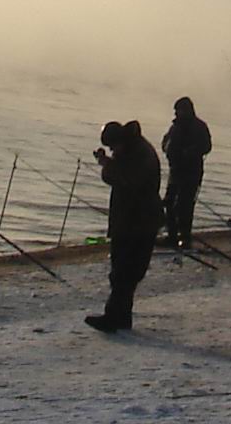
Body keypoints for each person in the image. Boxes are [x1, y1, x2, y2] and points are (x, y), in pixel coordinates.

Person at [85, 120, 162, 334]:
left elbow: (127, 181)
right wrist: (109, 162)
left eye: (113, 146)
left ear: (120, 140)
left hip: (137, 220)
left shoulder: (138, 153)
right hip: (137, 219)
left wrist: (106, 165)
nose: (113, 150)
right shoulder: (135, 148)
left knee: (124, 272)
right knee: (125, 272)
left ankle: (113, 317)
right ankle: (122, 317)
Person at [161, 96, 212, 249]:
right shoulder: (175, 127)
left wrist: (189, 152)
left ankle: (185, 237)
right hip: (175, 170)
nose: (177, 114)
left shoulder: (199, 126)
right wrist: (168, 149)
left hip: (191, 171)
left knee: (185, 205)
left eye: (179, 111)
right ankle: (171, 235)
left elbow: (206, 146)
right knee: (169, 202)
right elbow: (165, 142)